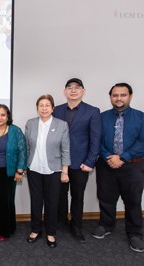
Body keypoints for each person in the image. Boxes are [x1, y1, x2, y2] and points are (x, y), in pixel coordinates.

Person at [91, 83, 144, 253]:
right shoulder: (101, 117)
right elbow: (95, 140)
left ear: (130, 96)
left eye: (123, 95)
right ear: (110, 97)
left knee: (133, 201)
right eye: (115, 95)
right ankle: (106, 224)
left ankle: (134, 233)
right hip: (106, 165)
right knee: (106, 197)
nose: (119, 98)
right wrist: (109, 156)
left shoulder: (141, 117)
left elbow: (143, 142)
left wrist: (122, 157)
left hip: (133, 166)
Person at [53, 78, 101, 243]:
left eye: (77, 88)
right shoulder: (56, 110)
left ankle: (76, 226)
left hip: (81, 163)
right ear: (64, 91)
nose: (73, 90)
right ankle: (60, 223)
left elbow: (95, 139)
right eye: (69, 88)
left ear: (83, 91)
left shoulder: (93, 111)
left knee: (77, 196)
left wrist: (90, 162)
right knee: (60, 195)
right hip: (59, 163)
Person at [25, 94, 70, 248]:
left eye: (47, 105)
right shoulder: (30, 124)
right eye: (41, 105)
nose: (44, 108)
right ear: (37, 108)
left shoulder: (61, 125)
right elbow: (27, 147)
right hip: (34, 169)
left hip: (54, 170)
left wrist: (65, 171)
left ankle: (51, 233)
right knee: (36, 201)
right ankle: (35, 230)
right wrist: (25, 165)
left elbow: (65, 150)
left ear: (52, 108)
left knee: (52, 202)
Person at [0, 104, 27, 240]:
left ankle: (5, 230)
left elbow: (23, 151)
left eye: (3, 115)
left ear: (8, 117)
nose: (0, 117)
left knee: (7, 201)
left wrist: (20, 171)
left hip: (9, 172)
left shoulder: (15, 131)